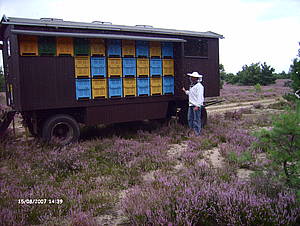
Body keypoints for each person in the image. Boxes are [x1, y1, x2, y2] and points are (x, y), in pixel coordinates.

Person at [182, 72, 204, 136]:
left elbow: (200, 97)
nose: (191, 78)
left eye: (192, 77)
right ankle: (192, 131)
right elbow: (191, 94)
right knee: (190, 119)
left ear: (196, 78)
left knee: (196, 120)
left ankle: (197, 133)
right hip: (191, 105)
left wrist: (197, 105)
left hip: (196, 105)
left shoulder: (199, 86)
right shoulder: (192, 86)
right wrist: (185, 91)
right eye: (191, 77)